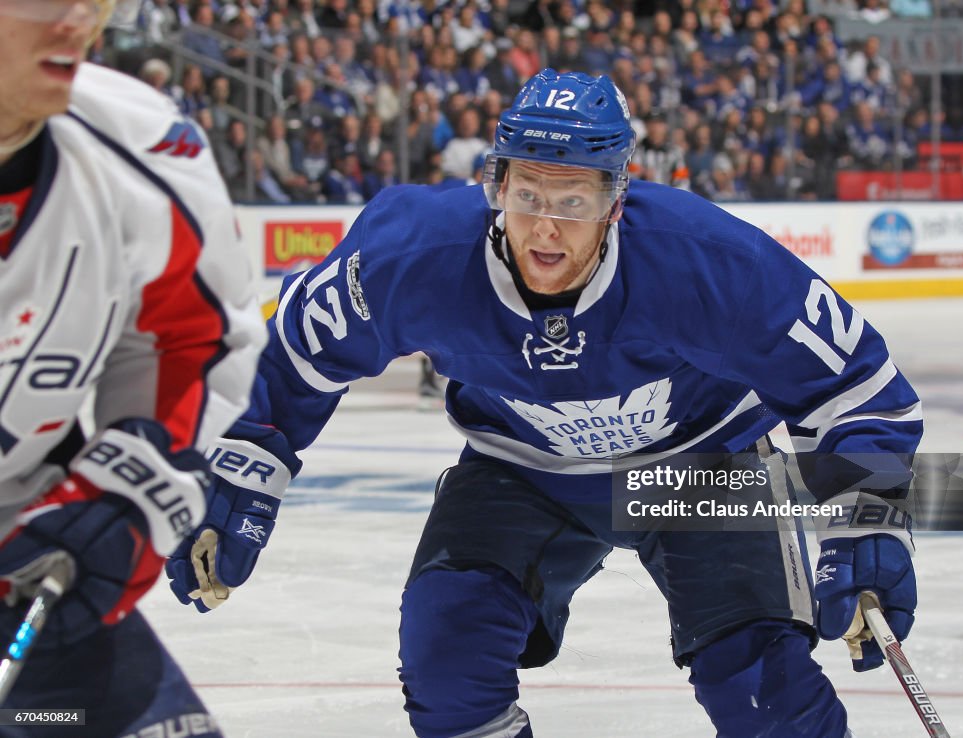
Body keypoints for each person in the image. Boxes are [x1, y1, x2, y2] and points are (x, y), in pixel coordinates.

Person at [168, 69, 922, 737]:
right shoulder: (413, 254)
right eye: (526, 195)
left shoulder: (708, 260)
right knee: (445, 663)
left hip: (700, 466)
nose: (546, 228)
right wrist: (238, 471)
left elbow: (858, 388)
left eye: (573, 200)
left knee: (764, 692)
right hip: (521, 470)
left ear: (617, 199)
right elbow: (292, 356)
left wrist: (868, 523)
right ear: (495, 184)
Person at [0, 1, 265, 735]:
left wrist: (128, 487)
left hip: (27, 549)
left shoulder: (141, 147)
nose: (78, 20)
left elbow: (190, 341)